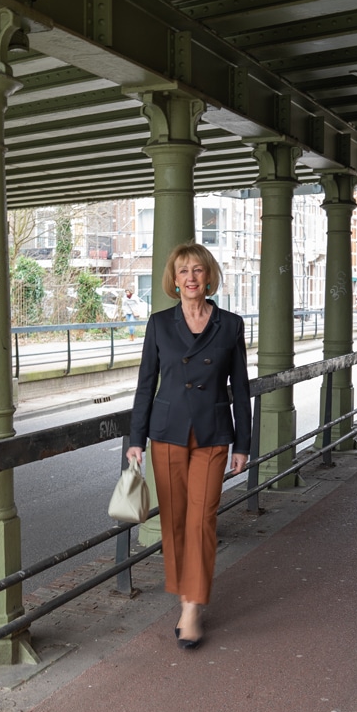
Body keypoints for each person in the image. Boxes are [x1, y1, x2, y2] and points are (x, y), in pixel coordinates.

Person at [126, 242, 251, 649]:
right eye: (183, 271)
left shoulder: (230, 325)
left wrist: (243, 443)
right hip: (167, 432)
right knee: (175, 520)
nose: (191, 278)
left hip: (213, 434)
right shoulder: (160, 324)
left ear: (208, 276)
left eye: (198, 270)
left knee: (203, 520)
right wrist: (135, 439)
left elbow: (240, 388)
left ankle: (192, 607)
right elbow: (146, 384)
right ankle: (185, 591)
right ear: (174, 280)